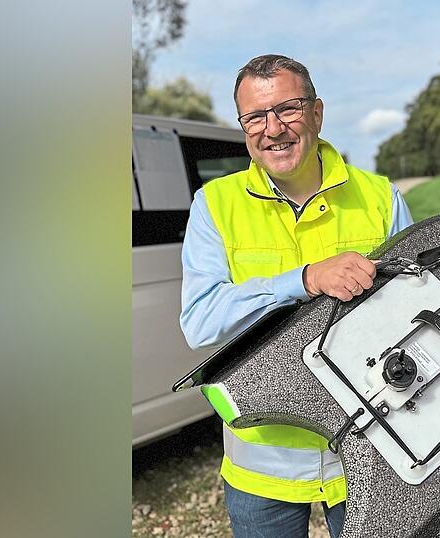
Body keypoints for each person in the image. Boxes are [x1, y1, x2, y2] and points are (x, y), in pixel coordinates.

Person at [179, 54, 414, 538]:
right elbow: (199, 322)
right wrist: (302, 279)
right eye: (255, 117)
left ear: (317, 112)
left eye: (288, 109)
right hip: (263, 463)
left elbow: (428, 317)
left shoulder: (379, 197)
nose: (273, 128)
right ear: (243, 126)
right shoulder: (214, 206)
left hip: (371, 456)